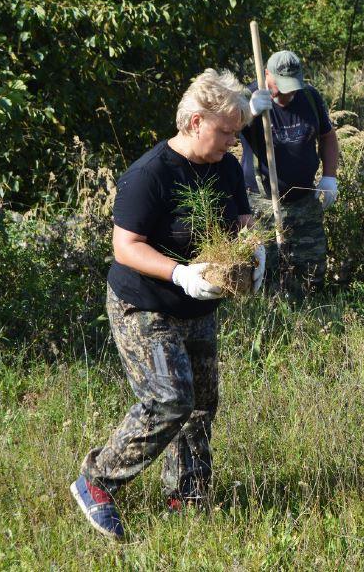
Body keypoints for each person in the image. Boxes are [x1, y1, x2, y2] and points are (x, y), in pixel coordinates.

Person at [70, 69, 266, 540]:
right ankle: (97, 480)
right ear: (195, 122)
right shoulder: (150, 173)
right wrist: (180, 273)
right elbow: (126, 247)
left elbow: (239, 219)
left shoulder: (223, 167)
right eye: (226, 131)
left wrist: (253, 251)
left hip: (198, 306)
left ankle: (187, 498)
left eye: (237, 132)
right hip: (146, 304)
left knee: (200, 405)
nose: (233, 141)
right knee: (169, 399)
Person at [241, 49, 340, 298]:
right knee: (266, 271)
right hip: (263, 203)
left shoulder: (310, 97)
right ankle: (274, 321)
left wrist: (330, 176)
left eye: (292, 87)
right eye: (280, 87)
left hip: (304, 199)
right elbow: (220, 129)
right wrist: (247, 113)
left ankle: (312, 315)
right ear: (266, 75)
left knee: (312, 267)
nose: (287, 93)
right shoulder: (247, 96)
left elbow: (327, 137)